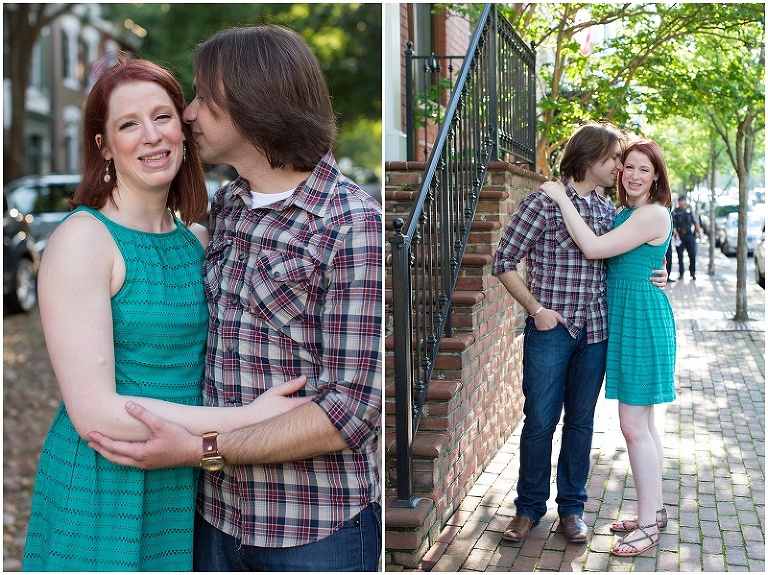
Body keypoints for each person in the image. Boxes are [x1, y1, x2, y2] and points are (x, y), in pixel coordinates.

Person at [87, 25, 382, 572]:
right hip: (212, 521)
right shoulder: (228, 208)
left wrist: (201, 448)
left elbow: (353, 411)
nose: (189, 113)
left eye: (204, 97)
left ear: (254, 103)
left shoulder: (352, 224)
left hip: (313, 529)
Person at [22, 57, 310, 572]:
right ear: (104, 146)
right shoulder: (83, 239)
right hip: (106, 481)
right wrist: (247, 420)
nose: (151, 136)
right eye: (128, 124)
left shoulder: (196, 240)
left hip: (184, 482)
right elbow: (96, 413)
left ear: (184, 127)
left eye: (162, 117)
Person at [491, 121, 668, 545]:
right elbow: (503, 261)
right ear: (590, 159)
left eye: (628, 163)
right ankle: (528, 509)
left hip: (598, 332)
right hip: (552, 330)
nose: (620, 168)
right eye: (615, 160)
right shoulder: (542, 202)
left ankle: (572, 509)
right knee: (539, 421)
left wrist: (660, 274)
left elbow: (630, 255)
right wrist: (536, 310)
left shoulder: (610, 211)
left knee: (581, 423)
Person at [541, 137, 676, 557]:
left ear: (656, 177)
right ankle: (654, 511)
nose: (633, 175)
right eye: (628, 166)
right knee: (644, 425)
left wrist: (561, 199)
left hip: (643, 324)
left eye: (644, 170)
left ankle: (649, 525)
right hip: (629, 320)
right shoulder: (628, 212)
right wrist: (660, 270)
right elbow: (634, 261)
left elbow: (595, 248)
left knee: (634, 426)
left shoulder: (652, 212)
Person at [672, 195, 702, 280]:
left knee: (692, 255)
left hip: (689, 236)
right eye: (680, 201)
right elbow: (673, 225)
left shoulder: (689, 211)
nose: (681, 202)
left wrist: (699, 233)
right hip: (680, 236)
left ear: (685, 201)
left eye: (682, 200)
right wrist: (676, 234)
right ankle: (681, 273)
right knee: (680, 256)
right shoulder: (675, 212)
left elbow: (695, 222)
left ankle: (692, 273)